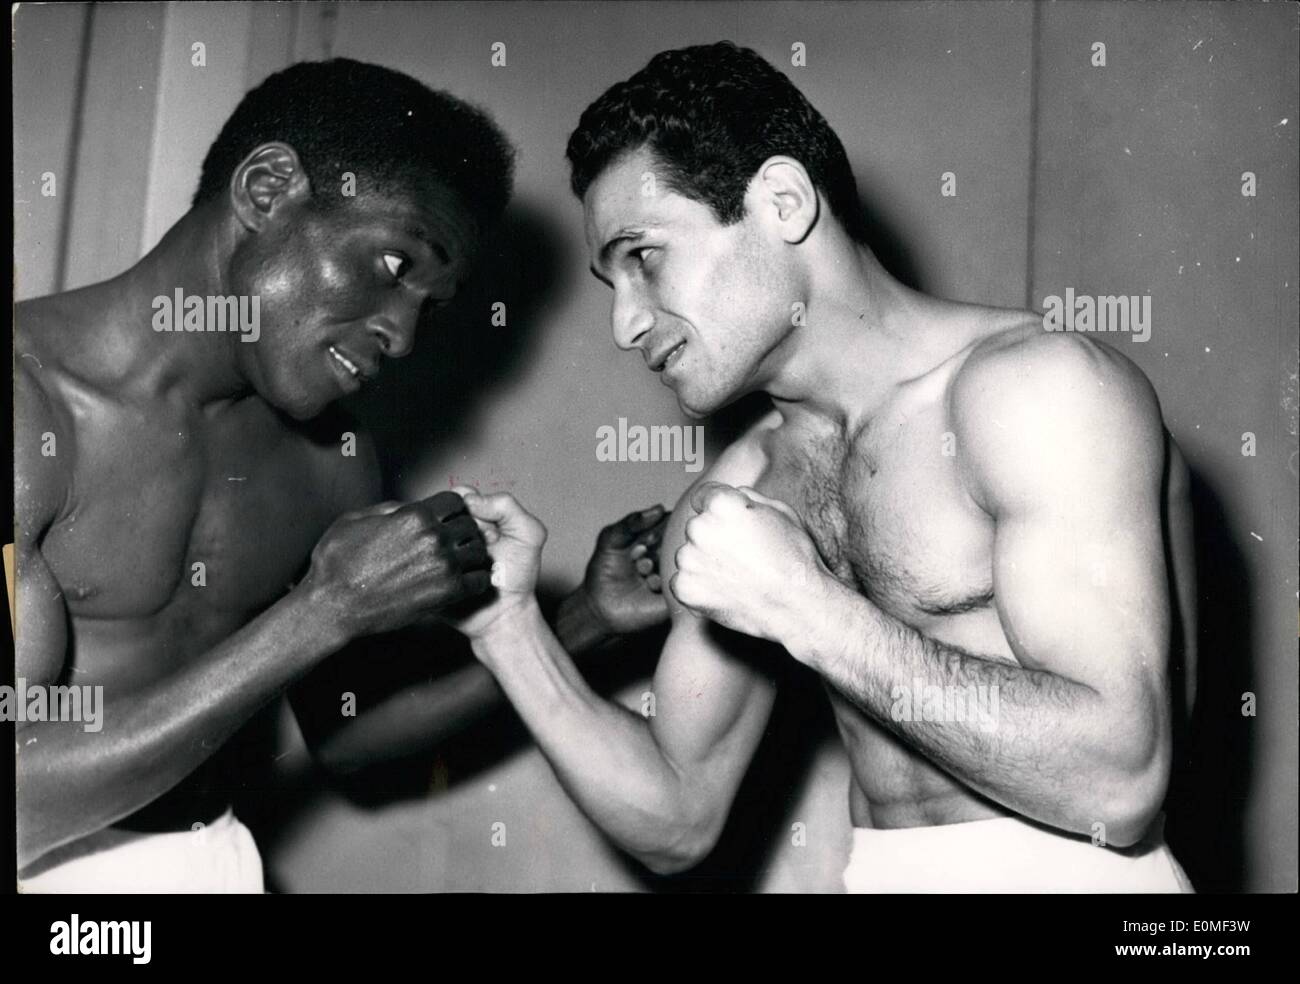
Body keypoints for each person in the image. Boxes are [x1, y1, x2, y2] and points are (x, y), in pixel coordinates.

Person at [449, 41, 1197, 892]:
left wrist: (807, 607)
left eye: (644, 258)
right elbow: (677, 816)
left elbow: (1120, 782)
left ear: (781, 200)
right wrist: (508, 629)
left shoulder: (1036, 393)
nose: (625, 324)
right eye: (611, 282)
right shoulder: (744, 489)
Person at [15, 58, 668, 893]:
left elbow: (353, 743)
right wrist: (325, 610)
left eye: (429, 308)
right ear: (267, 189)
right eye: (396, 268)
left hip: (206, 857)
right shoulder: (28, 408)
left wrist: (581, 621)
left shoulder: (327, 459)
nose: (401, 335)